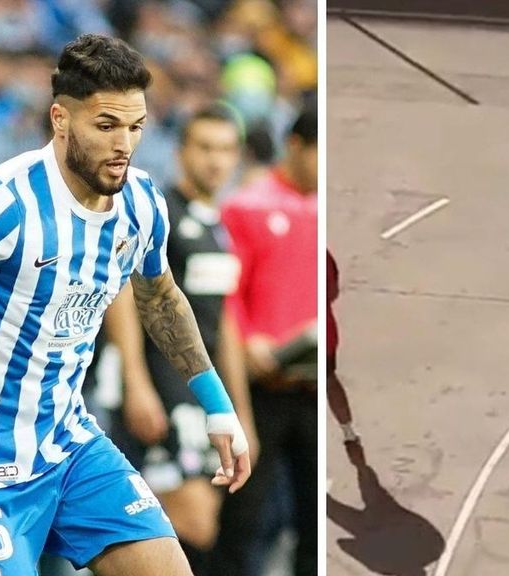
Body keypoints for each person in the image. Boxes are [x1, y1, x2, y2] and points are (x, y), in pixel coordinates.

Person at [0, 34, 251, 576]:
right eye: (106, 125)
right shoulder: (4, 202)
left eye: (136, 127)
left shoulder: (140, 201)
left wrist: (218, 405)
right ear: (60, 119)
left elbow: (160, 297)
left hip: (69, 448)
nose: (124, 145)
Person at [105, 104, 257, 575]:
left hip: (201, 396)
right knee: (191, 520)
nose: (216, 161)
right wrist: (136, 381)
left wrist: (239, 413)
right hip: (161, 385)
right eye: (205, 148)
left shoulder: (219, 226)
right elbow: (128, 292)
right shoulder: (160, 211)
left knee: (202, 522)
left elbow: (223, 322)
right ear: (182, 151)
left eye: (227, 150)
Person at [210, 106, 317, 576]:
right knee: (244, 520)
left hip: (313, 387)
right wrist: (251, 341)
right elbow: (227, 296)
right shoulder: (246, 206)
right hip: (261, 389)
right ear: (295, 146)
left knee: (314, 525)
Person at [327, 248, 357, 444]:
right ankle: (347, 429)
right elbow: (333, 291)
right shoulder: (322, 255)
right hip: (327, 334)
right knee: (330, 381)